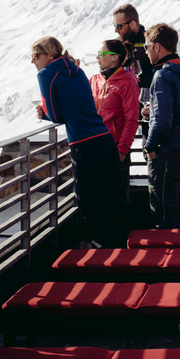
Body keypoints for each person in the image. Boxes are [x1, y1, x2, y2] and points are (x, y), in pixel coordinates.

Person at [32, 36, 125, 247]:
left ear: (48, 55)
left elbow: (56, 115)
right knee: (110, 195)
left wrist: (42, 113)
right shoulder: (77, 69)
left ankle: (103, 244)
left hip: (84, 142)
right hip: (104, 138)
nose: (33, 61)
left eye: (36, 56)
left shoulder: (46, 74)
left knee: (88, 198)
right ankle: (122, 241)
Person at [142, 23, 180, 229]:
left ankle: (177, 259)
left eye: (147, 47)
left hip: (168, 152)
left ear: (157, 47)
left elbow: (162, 122)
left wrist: (149, 147)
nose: (146, 51)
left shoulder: (163, 75)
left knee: (166, 215)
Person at [89, 39, 139, 228]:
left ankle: (128, 241)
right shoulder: (95, 80)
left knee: (117, 201)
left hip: (115, 149)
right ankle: (108, 241)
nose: (97, 58)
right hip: (95, 148)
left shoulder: (127, 82)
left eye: (102, 54)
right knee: (99, 198)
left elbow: (131, 120)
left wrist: (122, 150)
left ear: (115, 58)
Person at [112, 3, 153, 144]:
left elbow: (159, 71)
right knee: (119, 147)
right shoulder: (117, 44)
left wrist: (140, 81)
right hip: (122, 105)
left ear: (133, 23)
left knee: (149, 146)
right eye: (114, 26)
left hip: (146, 103)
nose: (116, 31)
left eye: (119, 26)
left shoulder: (149, 41)